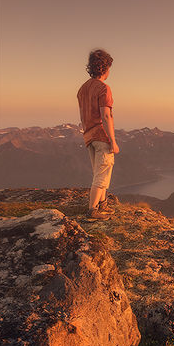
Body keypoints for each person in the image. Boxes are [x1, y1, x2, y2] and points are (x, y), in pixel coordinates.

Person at [77, 49, 119, 219]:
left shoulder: (82, 89)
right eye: (109, 67)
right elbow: (106, 115)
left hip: (88, 136)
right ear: (104, 68)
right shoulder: (103, 88)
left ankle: (102, 204)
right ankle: (92, 210)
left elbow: (83, 115)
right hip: (101, 136)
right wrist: (113, 141)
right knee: (102, 173)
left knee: (98, 171)